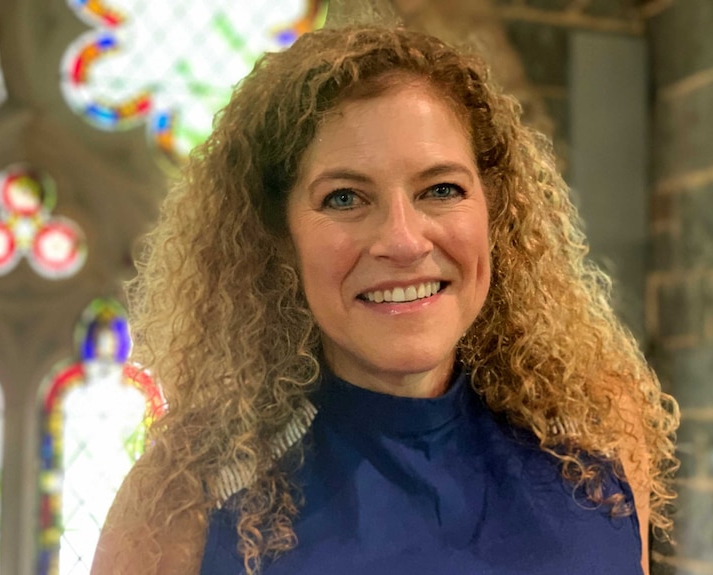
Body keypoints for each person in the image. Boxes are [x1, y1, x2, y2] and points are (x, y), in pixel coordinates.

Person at [92, 25, 679, 575]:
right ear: (277, 236)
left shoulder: (596, 429)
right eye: (345, 198)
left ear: (493, 211)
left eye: (441, 189)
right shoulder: (188, 494)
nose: (402, 240)